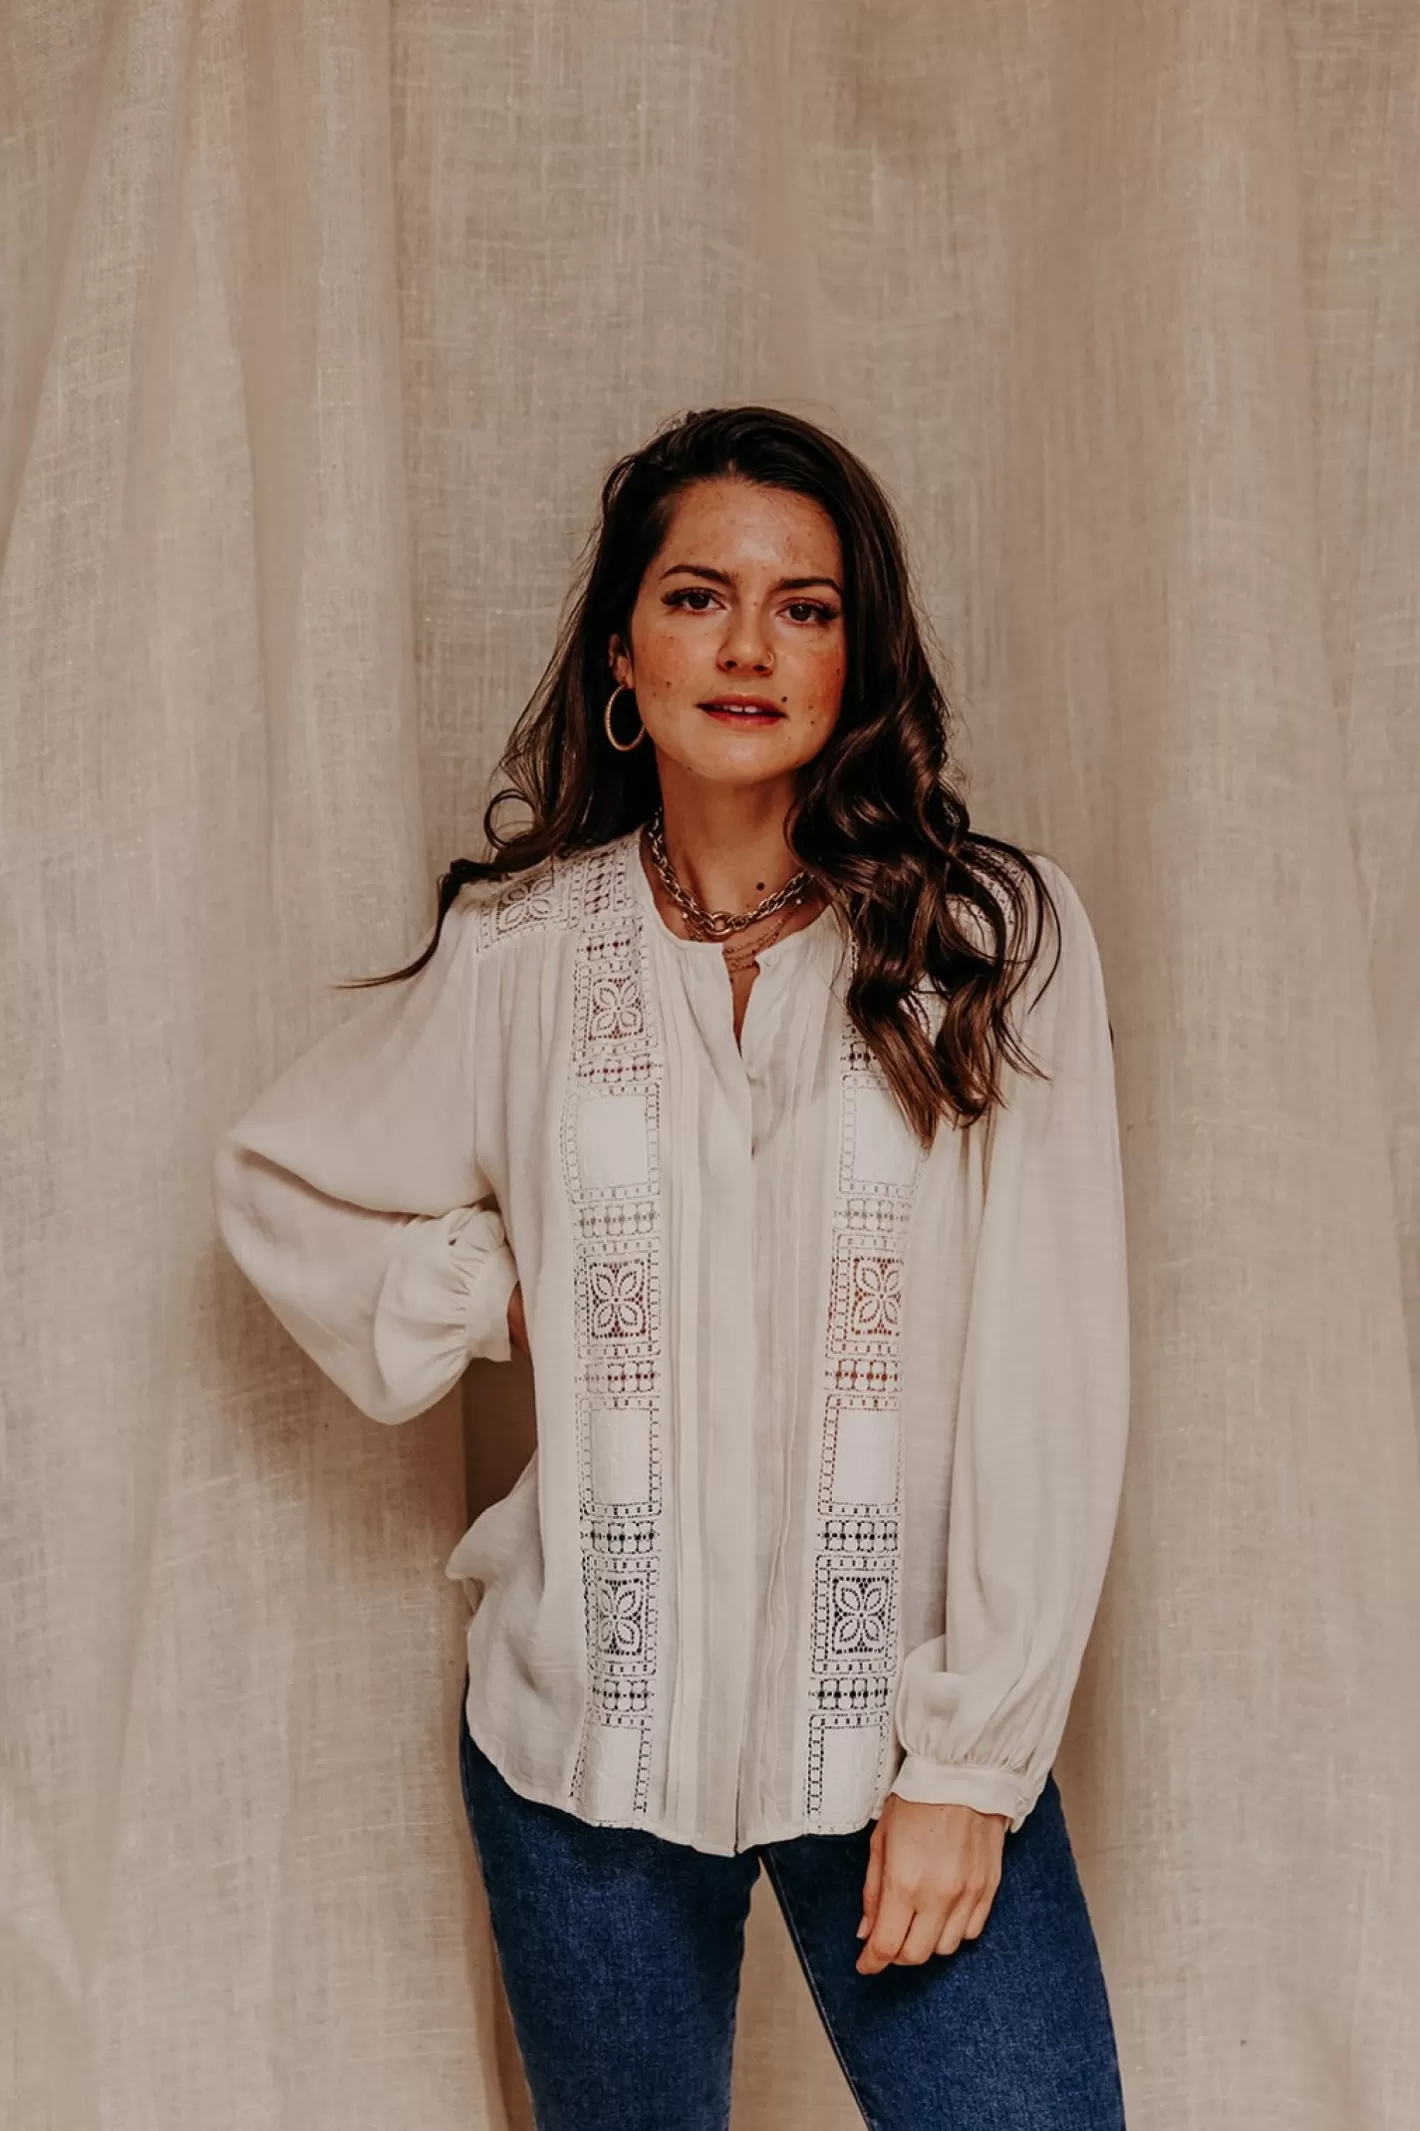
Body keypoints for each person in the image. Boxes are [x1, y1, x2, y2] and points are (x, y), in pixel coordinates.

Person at [212, 404, 1131, 2129]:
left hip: (901, 1742)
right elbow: (282, 1182)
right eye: (699, 596)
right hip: (580, 1756)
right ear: (625, 655)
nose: (749, 645)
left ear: (859, 657)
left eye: (805, 606)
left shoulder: (991, 943)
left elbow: (1050, 1372)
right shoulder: (520, 953)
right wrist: (498, 1295)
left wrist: (973, 1761)